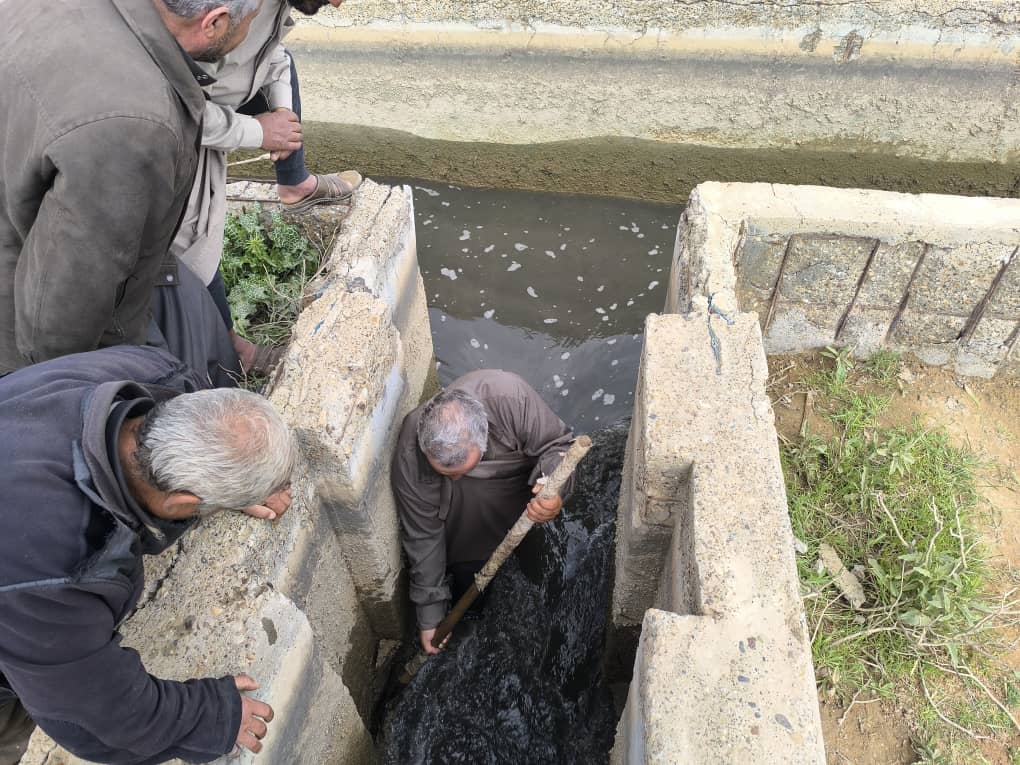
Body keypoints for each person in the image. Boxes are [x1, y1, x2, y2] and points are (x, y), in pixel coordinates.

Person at [0, 345, 298, 764]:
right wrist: (212, 717)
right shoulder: (57, 566)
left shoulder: (154, 376)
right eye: (202, 505)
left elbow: (222, 432)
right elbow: (99, 715)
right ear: (181, 502)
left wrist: (230, 485)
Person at [0, 0, 261, 380]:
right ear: (215, 23)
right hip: (22, 338)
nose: (248, 31)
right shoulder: (138, 125)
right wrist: (78, 400)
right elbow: (59, 324)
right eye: (250, 22)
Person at [173, 0, 362, 374]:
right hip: (177, 127)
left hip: (211, 103)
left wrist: (281, 116)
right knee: (195, 239)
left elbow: (274, 53)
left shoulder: (268, 11)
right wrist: (259, 132)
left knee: (283, 68)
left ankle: (295, 183)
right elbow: (171, 108)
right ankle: (226, 354)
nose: (339, 3)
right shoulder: (202, 16)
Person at [391, 370, 576, 655]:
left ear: (483, 437)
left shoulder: (509, 398)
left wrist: (554, 489)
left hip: (523, 498)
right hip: (464, 522)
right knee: (469, 586)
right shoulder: (409, 452)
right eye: (446, 473)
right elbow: (423, 535)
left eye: (463, 471)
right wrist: (429, 615)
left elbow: (558, 446)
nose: (454, 477)